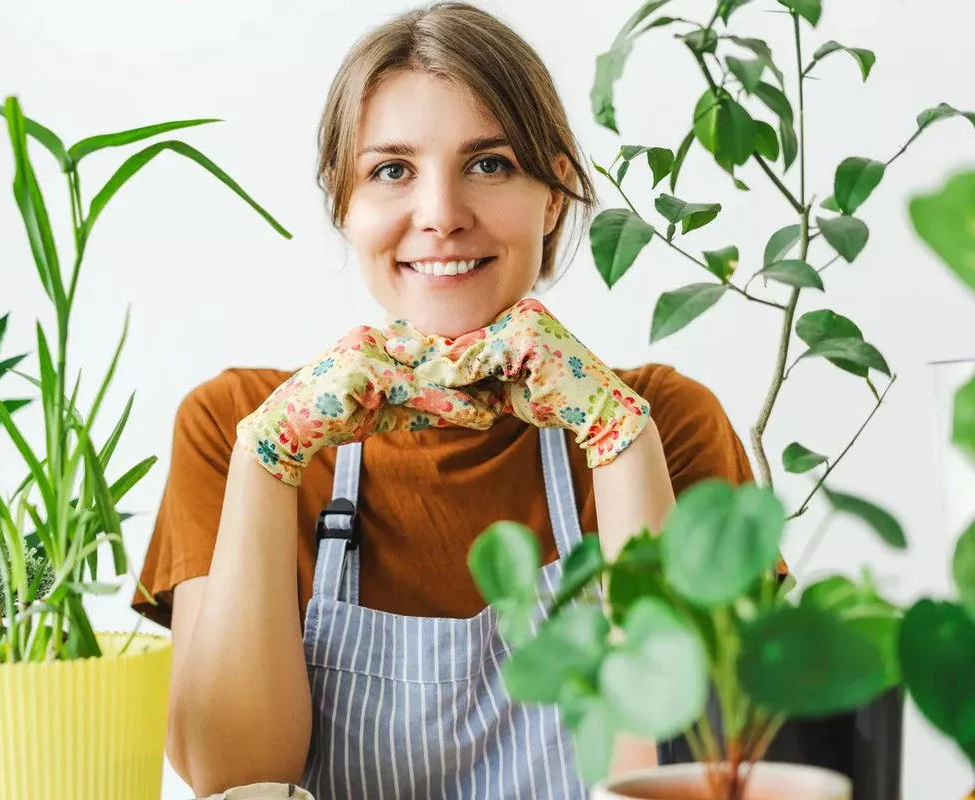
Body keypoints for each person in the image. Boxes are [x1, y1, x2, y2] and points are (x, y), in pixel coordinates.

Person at [132, 3, 755, 797]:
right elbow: (237, 777)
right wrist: (270, 459)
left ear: (555, 192)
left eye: (489, 164)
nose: (441, 216)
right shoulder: (236, 424)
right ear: (343, 204)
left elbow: (683, 765)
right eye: (391, 170)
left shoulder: (662, 421)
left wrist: (618, 440)